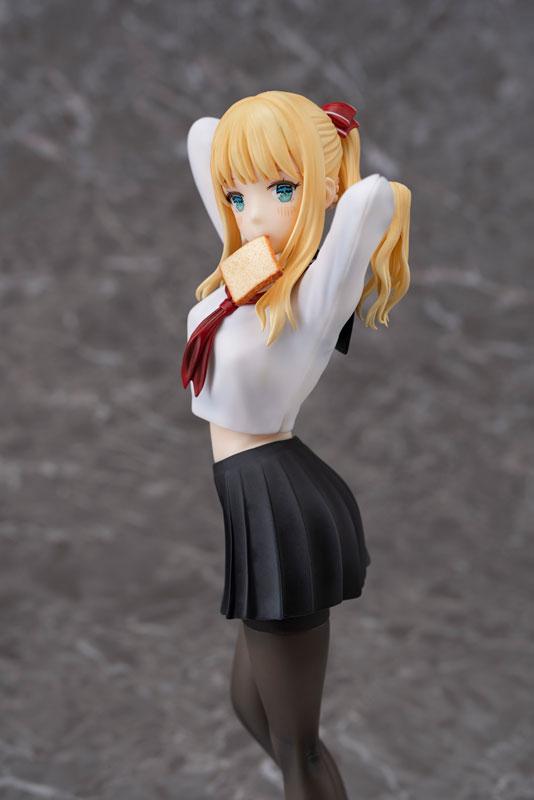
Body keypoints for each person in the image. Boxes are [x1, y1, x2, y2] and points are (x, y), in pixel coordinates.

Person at [181, 90, 411, 799]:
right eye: (239, 196)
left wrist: (333, 170)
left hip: (278, 502)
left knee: (296, 745)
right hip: (252, 495)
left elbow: (371, 198)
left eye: (281, 190)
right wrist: (251, 161)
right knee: (252, 708)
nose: (254, 213)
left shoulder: (314, 291)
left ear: (319, 190)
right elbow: (204, 138)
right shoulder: (250, 271)